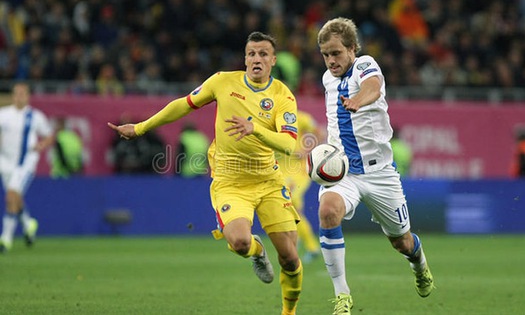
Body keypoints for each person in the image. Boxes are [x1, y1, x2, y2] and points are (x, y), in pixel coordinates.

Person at [108, 32, 303, 315]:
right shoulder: (223, 81)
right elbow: (183, 104)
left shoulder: (282, 95)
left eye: (263, 54)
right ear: (245, 58)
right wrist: (140, 127)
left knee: (289, 257)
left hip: (268, 181)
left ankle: (289, 312)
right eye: (251, 54)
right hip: (230, 181)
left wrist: (255, 129)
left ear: (273, 60)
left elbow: (288, 144)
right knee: (239, 242)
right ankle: (257, 252)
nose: (256, 59)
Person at [315, 18, 435, 314]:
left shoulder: (365, 64)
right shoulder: (327, 79)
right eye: (326, 54)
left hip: (380, 173)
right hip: (343, 171)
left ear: (352, 49)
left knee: (402, 243)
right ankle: (342, 296)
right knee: (328, 211)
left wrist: (358, 100)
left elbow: (374, 87)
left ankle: (419, 265)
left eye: (336, 53)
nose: (331, 60)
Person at [0, 82, 54, 253]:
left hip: (25, 163)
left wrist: (41, 145)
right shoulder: (3, 114)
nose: (19, 96)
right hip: (5, 162)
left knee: (11, 195)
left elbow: (49, 135)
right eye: (16, 93)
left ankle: (6, 239)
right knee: (15, 198)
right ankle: (28, 222)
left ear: (28, 96)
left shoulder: (35, 116)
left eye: (23, 93)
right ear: (13, 95)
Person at [276, 110, 322, 263]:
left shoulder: (302, 118)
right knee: (290, 209)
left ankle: (312, 247)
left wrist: (307, 151)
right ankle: (300, 236)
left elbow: (319, 133)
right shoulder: (271, 118)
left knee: (292, 203)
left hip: (298, 172)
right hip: (280, 171)